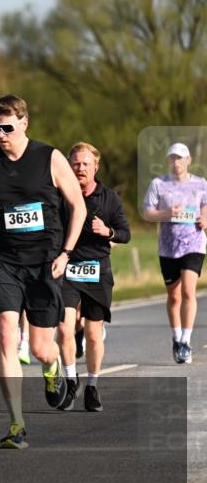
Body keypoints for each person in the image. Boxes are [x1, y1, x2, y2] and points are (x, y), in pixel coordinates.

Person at [0, 94, 85, 449]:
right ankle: (17, 423)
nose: (1, 134)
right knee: (5, 336)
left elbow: (77, 207)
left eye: (7, 127)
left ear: (24, 123)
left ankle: (52, 368)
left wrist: (67, 252)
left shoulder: (50, 158)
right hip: (3, 261)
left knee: (44, 347)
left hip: (45, 263)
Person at [57, 142, 130, 411]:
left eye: (86, 164)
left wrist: (108, 232)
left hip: (97, 269)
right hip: (67, 267)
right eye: (76, 163)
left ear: (95, 166)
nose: (80, 168)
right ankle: (69, 380)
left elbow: (125, 233)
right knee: (64, 328)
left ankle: (92, 387)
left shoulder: (109, 198)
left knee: (93, 334)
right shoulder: (60, 195)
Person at [141, 142, 207, 365]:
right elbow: (148, 213)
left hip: (194, 243)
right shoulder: (159, 184)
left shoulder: (200, 183)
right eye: (172, 158)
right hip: (168, 246)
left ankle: (185, 343)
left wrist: (205, 217)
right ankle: (176, 337)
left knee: (189, 291)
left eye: (180, 158)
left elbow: (206, 205)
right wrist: (166, 213)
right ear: (169, 161)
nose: (176, 162)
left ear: (188, 160)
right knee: (174, 295)